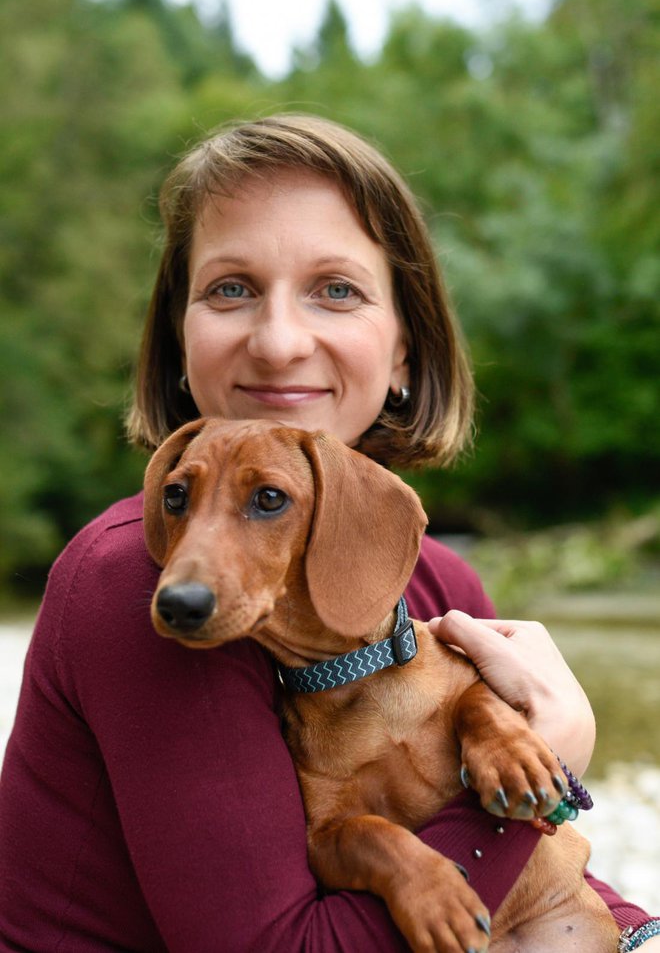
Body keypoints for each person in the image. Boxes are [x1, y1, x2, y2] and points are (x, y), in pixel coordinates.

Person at [0, 113, 657, 952]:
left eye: (336, 289)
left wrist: (637, 932)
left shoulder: (437, 581)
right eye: (229, 288)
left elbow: (555, 879)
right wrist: (554, 762)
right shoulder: (140, 583)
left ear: (407, 353)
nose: (278, 343)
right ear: (176, 338)